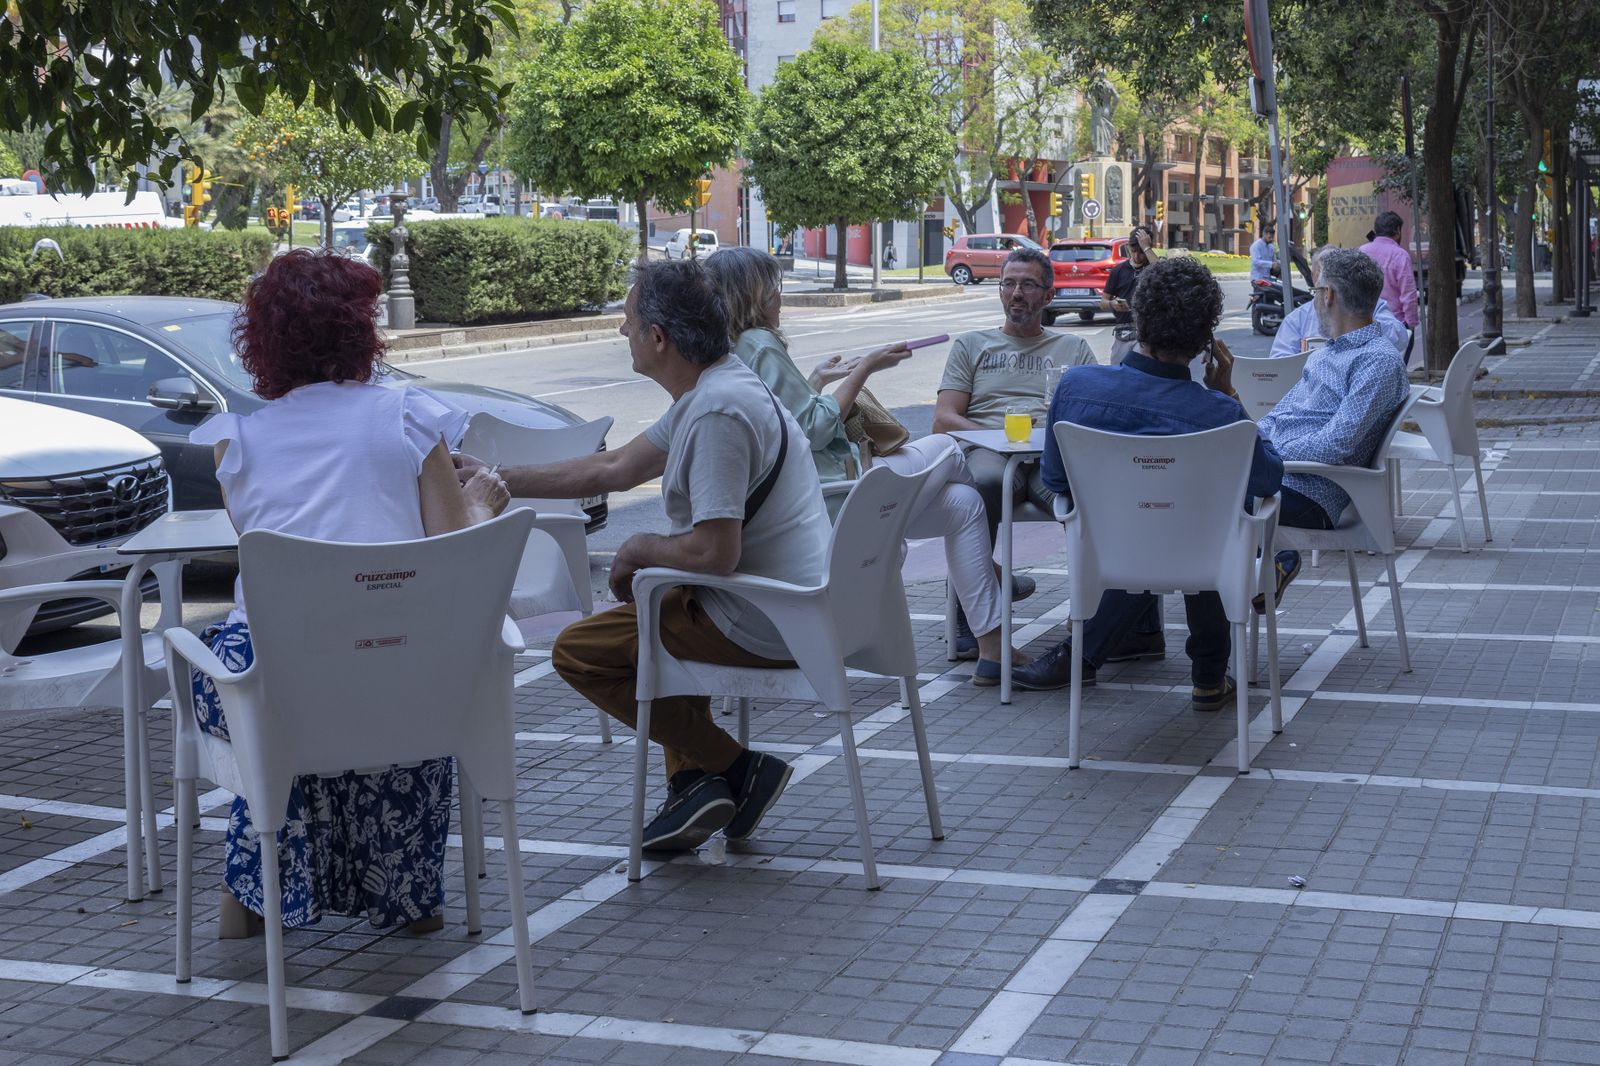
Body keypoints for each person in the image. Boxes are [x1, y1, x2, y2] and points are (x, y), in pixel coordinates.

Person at [188, 250, 512, 937]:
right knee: (383, 667)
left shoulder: (234, 442)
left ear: (264, 341)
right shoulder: (406, 418)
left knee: (280, 689)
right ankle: (405, 896)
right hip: (400, 680)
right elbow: (454, 557)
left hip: (273, 686)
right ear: (361, 329)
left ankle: (256, 897)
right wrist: (483, 501)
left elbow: (281, 546)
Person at [479, 260, 828, 853]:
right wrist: (496, 477)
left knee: (582, 653)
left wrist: (638, 547)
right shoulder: (716, 384)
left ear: (658, 337)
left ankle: (738, 769)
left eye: (628, 320)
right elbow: (614, 468)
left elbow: (715, 552)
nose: (621, 332)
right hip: (775, 600)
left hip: (767, 615)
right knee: (656, 613)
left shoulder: (718, 412)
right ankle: (698, 785)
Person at [706, 247, 1026, 686]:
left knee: (965, 503)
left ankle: (992, 649)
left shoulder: (734, 349)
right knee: (951, 449)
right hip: (837, 498)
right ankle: (993, 574)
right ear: (752, 297)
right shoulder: (759, 343)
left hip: (826, 496)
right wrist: (869, 367)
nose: (779, 301)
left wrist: (817, 379)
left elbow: (788, 416)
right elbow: (816, 428)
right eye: (773, 292)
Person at [1011, 256, 1291, 708]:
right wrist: (1230, 396)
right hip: (1204, 560)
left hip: (1109, 556)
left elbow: (1055, 478)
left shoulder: (1076, 388)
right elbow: (1269, 478)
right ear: (1206, 340)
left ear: (1137, 318)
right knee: (1219, 523)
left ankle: (1082, 657)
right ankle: (1209, 678)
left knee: (1188, 523)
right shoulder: (1220, 414)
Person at [934, 247, 1096, 551]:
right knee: (985, 483)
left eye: (1028, 285)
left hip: (1050, 457)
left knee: (1084, 505)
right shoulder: (971, 345)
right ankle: (979, 590)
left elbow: (1095, 415)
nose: (1016, 293)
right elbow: (943, 420)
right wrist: (1001, 438)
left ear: (1048, 296)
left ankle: (1099, 591)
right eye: (1008, 284)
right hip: (987, 451)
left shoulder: (1074, 348)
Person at [1258, 247, 1410, 532]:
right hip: (1276, 476)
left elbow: (1334, 444)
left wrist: (1266, 451)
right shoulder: (1325, 353)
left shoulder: (1377, 361)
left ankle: (1255, 573)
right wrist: (1247, 441)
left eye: (1316, 291)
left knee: (1203, 497)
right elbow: (1279, 416)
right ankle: (1262, 572)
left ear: (1327, 294)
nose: (1315, 299)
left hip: (1306, 493)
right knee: (1194, 481)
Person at [1270, 246, 1410, 359]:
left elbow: (1399, 337)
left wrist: (1359, 317)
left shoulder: (1371, 306)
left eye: (1339, 273)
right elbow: (1279, 363)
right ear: (1315, 277)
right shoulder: (1297, 319)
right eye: (1325, 272)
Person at [1358, 210, 1420, 338]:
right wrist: (1411, 324)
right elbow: (1409, 295)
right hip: (1395, 327)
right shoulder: (1400, 255)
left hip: (1365, 325)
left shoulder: (1361, 252)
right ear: (1397, 231)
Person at [1101, 225, 1156, 363]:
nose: (1137, 256)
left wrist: (1147, 248)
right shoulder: (1118, 270)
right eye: (1133, 251)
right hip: (1123, 332)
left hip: (1148, 332)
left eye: (1141, 251)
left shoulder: (1153, 267)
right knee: (1118, 373)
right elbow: (1103, 303)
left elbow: (1164, 273)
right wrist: (1112, 304)